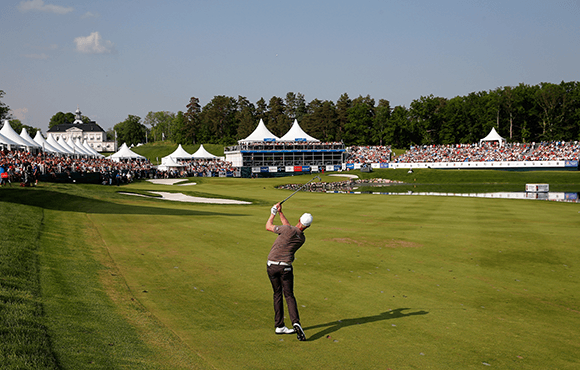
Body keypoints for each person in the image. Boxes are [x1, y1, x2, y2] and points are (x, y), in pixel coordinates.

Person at [265, 202, 312, 341]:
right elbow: (289, 228)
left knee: (277, 294)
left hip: (272, 266)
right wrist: (281, 212)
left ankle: (279, 325)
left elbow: (268, 226)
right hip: (286, 268)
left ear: (299, 219)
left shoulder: (287, 230)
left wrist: (273, 213)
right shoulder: (301, 238)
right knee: (289, 295)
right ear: (307, 226)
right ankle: (295, 321)